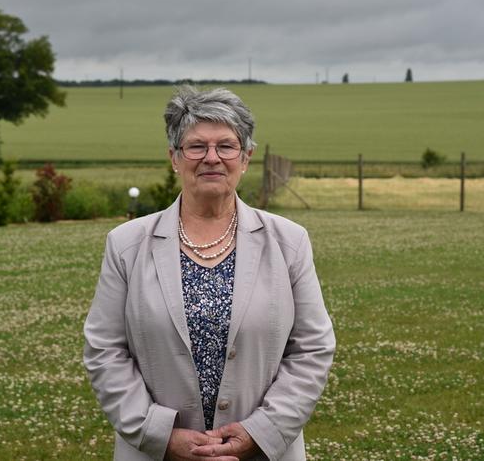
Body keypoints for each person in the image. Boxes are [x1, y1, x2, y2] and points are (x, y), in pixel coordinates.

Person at [83, 86, 335, 461]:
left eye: (226, 146)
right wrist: (159, 435)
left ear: (246, 157)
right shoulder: (126, 245)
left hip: (262, 452)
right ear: (174, 157)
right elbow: (105, 351)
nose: (211, 158)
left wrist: (260, 432)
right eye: (196, 146)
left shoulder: (289, 242)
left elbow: (312, 349)